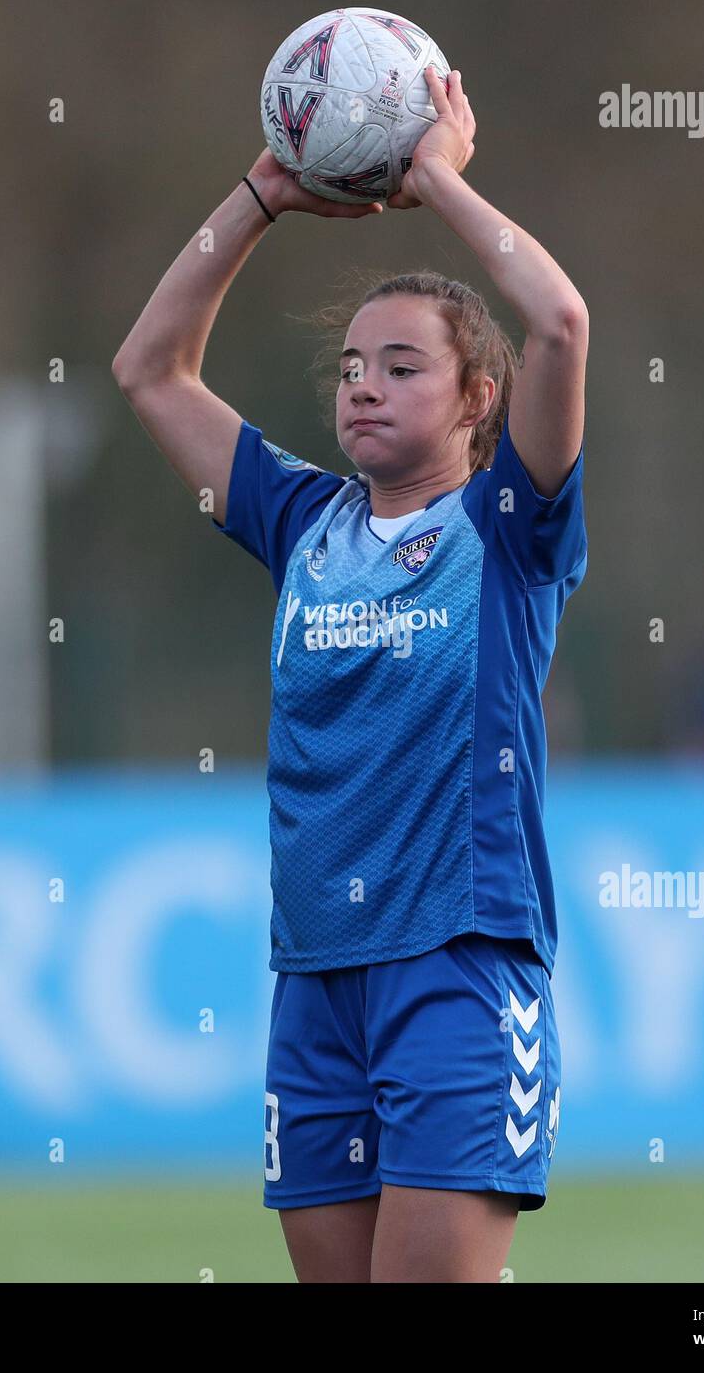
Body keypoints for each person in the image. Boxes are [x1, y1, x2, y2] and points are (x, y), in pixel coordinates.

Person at [113, 67, 588, 1283]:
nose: (364, 384)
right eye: (350, 368)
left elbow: (560, 322)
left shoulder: (507, 528)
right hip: (314, 979)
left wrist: (437, 179)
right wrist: (259, 196)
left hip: (458, 969)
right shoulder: (302, 521)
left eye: (402, 367)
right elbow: (149, 372)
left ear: (479, 398)